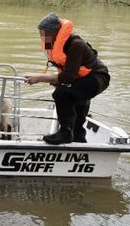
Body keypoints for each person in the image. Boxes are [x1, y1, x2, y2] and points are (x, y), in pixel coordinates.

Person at [24, 13, 110, 144]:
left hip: (98, 78)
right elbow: (65, 73)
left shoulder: (76, 45)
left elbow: (68, 76)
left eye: (44, 34)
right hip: (82, 78)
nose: (41, 37)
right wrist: (56, 80)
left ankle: (65, 133)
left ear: (55, 33)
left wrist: (40, 78)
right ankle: (78, 139)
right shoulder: (50, 43)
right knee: (74, 98)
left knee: (61, 94)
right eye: (40, 34)